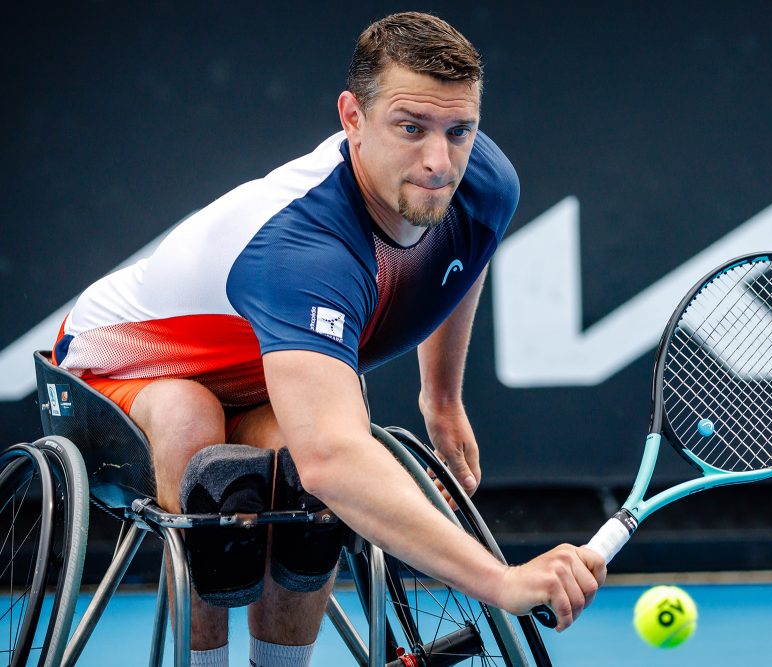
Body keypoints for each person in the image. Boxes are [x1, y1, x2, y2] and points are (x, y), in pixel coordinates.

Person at [53, 11, 605, 666]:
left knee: (309, 487)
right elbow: (336, 456)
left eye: (460, 131)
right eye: (410, 128)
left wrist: (443, 398)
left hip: (262, 370)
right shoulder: (303, 250)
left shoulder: (482, 182)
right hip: (120, 364)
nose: (439, 161)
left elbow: (464, 258)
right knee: (196, 427)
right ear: (352, 118)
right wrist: (501, 578)